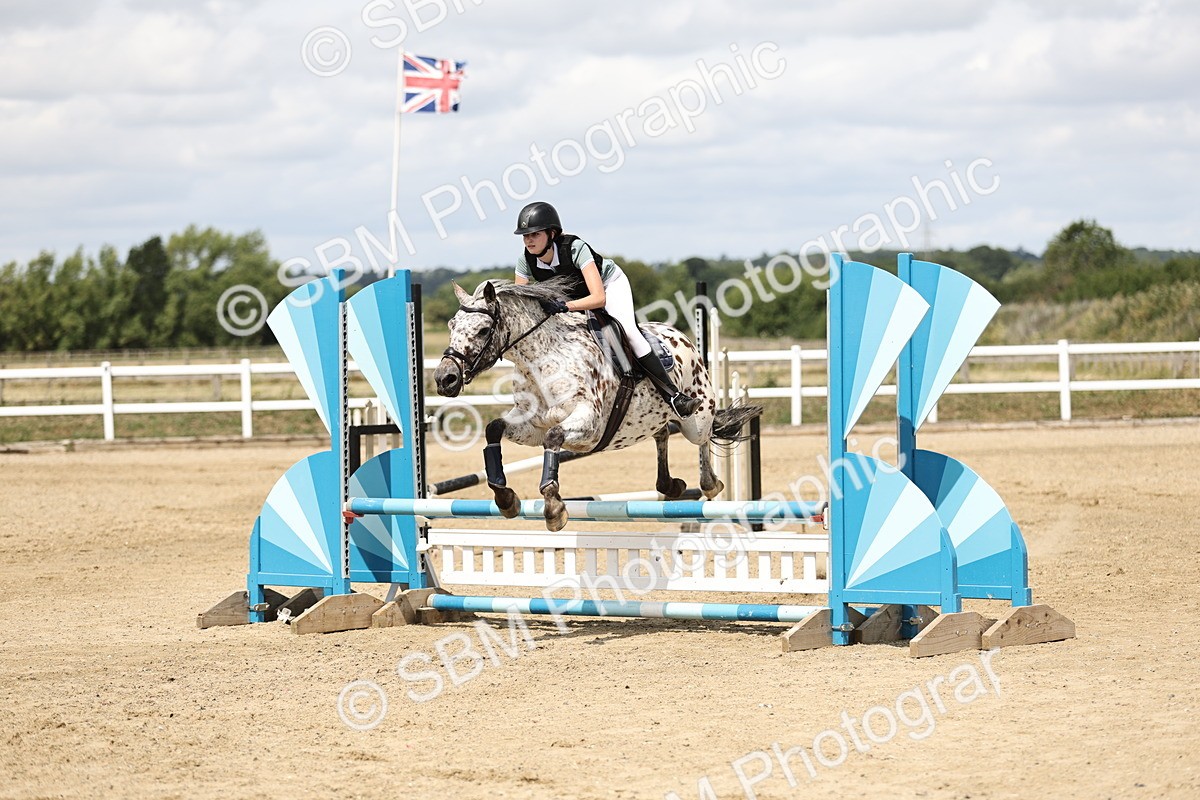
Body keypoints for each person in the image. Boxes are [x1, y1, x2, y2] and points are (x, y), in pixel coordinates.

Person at [512, 201, 700, 418]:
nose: (528, 240)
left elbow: (598, 298)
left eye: (534, 234)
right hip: (571, 298)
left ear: (552, 233)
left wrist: (564, 306)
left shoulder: (574, 248)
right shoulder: (525, 261)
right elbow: (522, 302)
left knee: (629, 331)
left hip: (608, 286)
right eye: (525, 236)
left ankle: (675, 396)